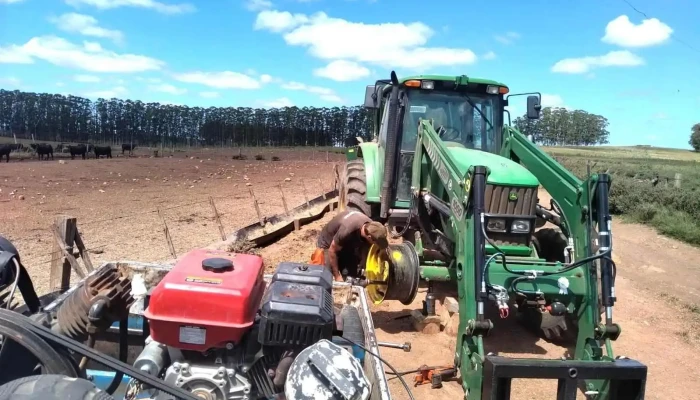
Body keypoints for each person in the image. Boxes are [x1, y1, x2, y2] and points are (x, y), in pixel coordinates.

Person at [310, 210, 389, 282]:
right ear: (369, 237)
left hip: (346, 243)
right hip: (328, 243)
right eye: (376, 243)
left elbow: (366, 249)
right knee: (324, 277)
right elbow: (332, 250)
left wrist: (364, 264)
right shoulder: (347, 230)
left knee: (351, 276)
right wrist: (337, 276)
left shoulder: (372, 227)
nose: (376, 245)